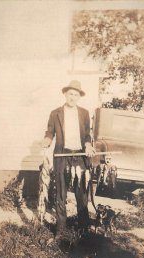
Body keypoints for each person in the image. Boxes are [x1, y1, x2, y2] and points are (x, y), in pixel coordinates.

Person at [42, 80, 96, 239]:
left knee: (81, 194)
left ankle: (84, 228)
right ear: (65, 94)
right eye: (70, 94)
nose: (73, 97)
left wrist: (88, 145)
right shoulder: (55, 113)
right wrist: (47, 140)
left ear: (79, 96)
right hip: (62, 156)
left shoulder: (84, 113)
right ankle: (60, 230)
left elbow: (87, 134)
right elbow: (50, 132)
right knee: (61, 193)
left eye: (76, 94)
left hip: (79, 156)